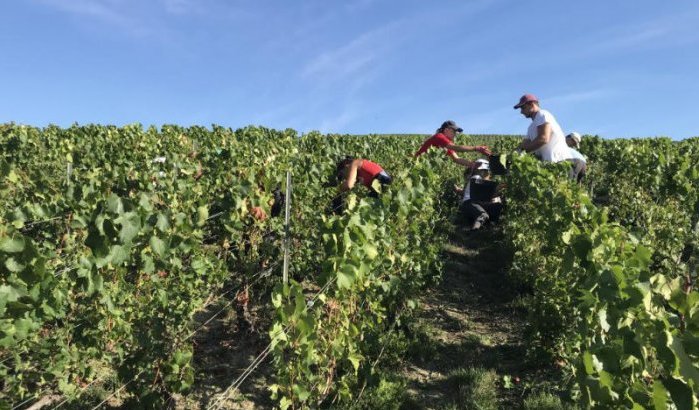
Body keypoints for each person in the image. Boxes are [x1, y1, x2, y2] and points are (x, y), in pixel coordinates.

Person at [514, 94, 570, 163]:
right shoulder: (531, 127)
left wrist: (520, 152)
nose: (521, 112)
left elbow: (543, 138)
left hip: (562, 161)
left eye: (523, 108)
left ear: (532, 105)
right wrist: (514, 153)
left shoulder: (542, 114)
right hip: (552, 164)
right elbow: (525, 144)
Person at [415, 120, 491, 167]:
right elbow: (455, 147)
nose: (455, 133)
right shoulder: (439, 136)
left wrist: (473, 165)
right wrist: (476, 148)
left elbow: (457, 159)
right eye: (454, 131)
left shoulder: (447, 144)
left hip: (423, 166)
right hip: (416, 164)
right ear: (446, 130)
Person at [456, 159, 503, 230]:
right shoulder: (476, 178)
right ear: (481, 170)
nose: (487, 173)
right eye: (486, 171)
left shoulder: (475, 180)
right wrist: (499, 187)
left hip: (475, 203)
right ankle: (474, 231)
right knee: (483, 215)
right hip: (470, 203)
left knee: (497, 206)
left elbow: (485, 195)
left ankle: (490, 226)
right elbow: (486, 192)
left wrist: (498, 192)